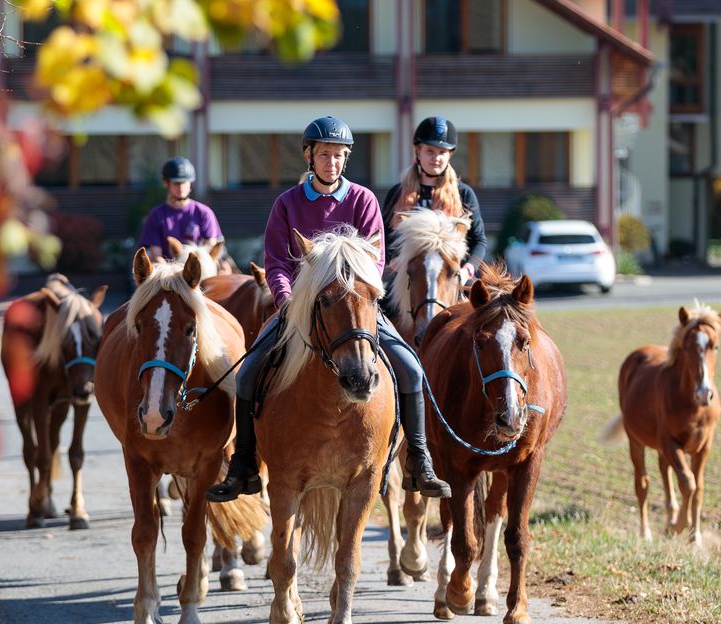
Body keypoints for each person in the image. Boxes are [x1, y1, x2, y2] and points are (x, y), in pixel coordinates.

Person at [207, 116, 451, 503]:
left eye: (339, 156)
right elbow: (277, 264)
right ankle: (244, 466)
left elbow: (374, 261)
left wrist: (358, 296)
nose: (332, 163)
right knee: (250, 369)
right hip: (300, 309)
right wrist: (289, 303)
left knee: (410, 367)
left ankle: (419, 461)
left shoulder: (364, 200)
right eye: (324, 155)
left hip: (355, 309)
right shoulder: (286, 204)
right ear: (309, 156)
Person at [381, 116, 487, 282]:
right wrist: (395, 262)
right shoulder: (397, 193)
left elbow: (479, 240)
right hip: (408, 277)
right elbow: (384, 238)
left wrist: (468, 270)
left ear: (450, 155)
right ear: (418, 151)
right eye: (430, 151)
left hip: (452, 276)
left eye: (442, 152)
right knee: (381, 306)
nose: (436, 157)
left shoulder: (464, 194)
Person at [139, 156, 224, 261]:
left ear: (190, 183)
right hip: (169, 271)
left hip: (199, 268)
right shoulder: (156, 215)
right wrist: (176, 273)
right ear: (166, 183)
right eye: (176, 183)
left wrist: (193, 268)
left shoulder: (204, 212)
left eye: (184, 182)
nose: (181, 187)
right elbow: (157, 256)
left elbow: (210, 245)